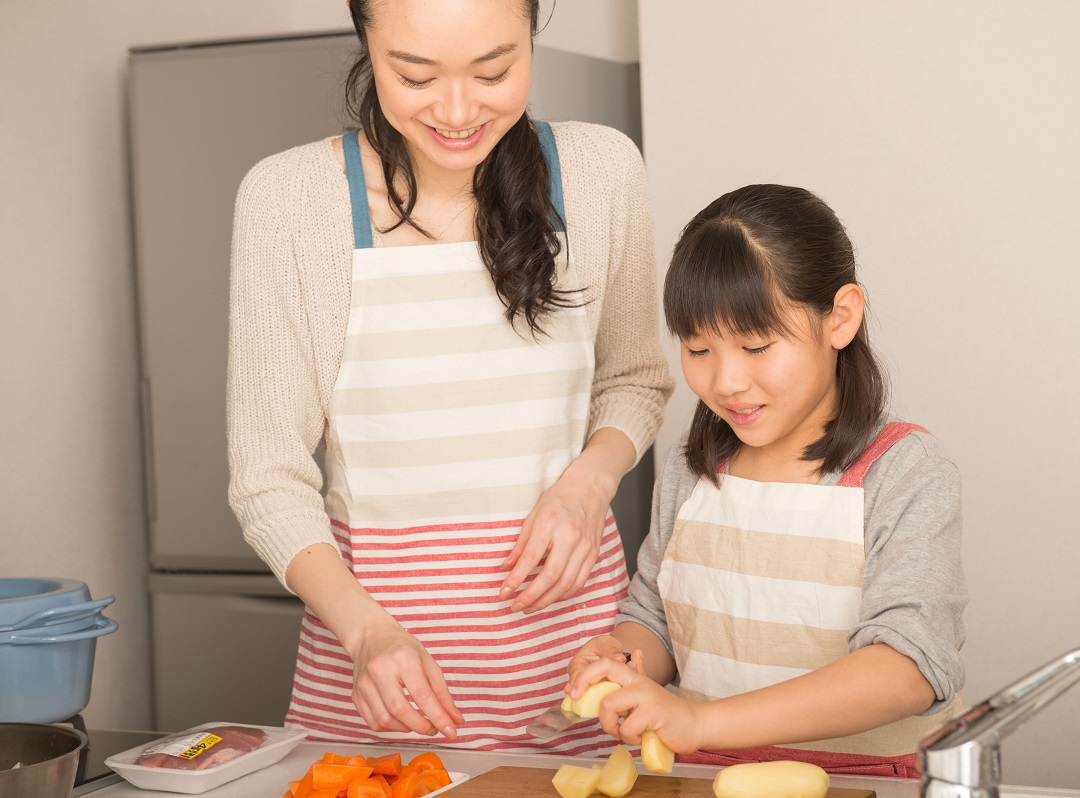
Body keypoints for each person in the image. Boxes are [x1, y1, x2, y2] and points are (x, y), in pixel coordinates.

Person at [225, 0, 672, 754]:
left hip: (580, 689)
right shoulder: (288, 201)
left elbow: (636, 378)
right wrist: (367, 634)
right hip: (375, 697)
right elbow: (266, 478)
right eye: (416, 74)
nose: (459, 111)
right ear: (365, 40)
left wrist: (586, 484)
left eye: (494, 70)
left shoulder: (601, 173)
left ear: (533, 33)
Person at [564, 184, 966, 777]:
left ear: (841, 317)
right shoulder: (689, 469)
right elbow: (656, 620)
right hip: (708, 778)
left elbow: (906, 668)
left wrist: (702, 722)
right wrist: (624, 658)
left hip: (866, 785)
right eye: (698, 348)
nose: (726, 381)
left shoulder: (904, 471)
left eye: (756, 346)